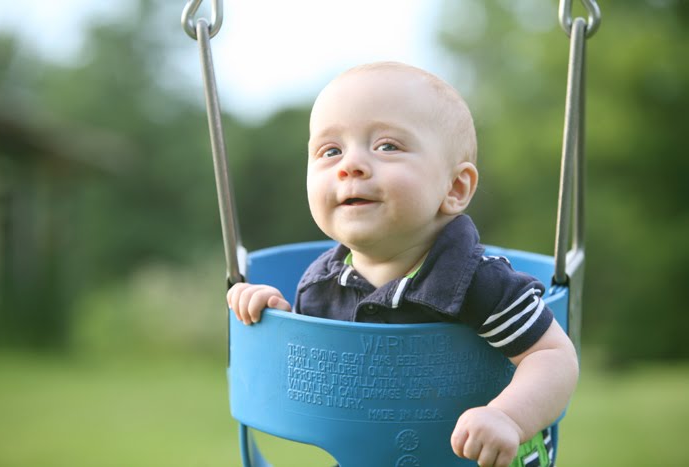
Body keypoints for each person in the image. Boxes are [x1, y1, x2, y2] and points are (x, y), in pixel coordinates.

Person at [227, 61, 578, 467]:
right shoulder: (320, 285)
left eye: (387, 146)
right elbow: (313, 381)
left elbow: (553, 356)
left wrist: (508, 418)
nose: (350, 165)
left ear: (455, 187)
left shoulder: (479, 281)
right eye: (331, 151)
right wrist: (275, 318)